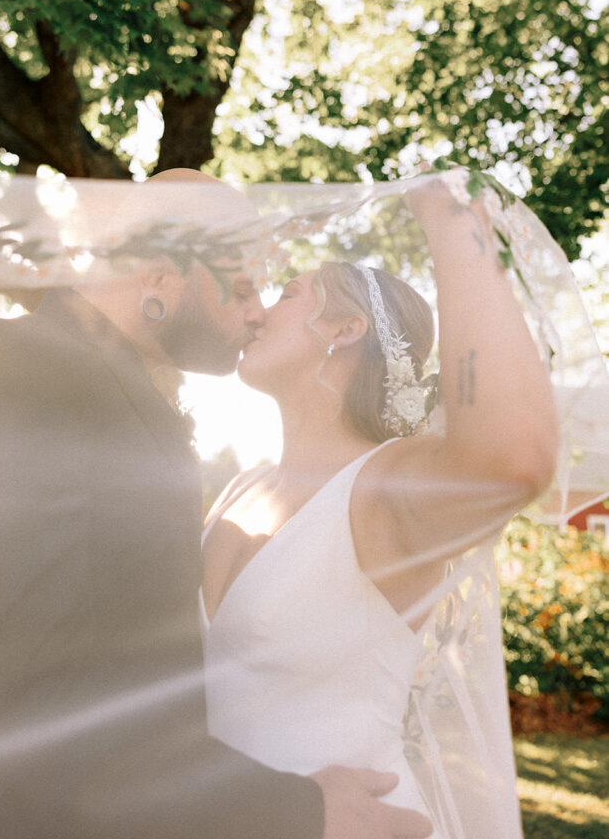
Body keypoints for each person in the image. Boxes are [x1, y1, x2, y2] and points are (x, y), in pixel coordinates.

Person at [0, 168, 433, 839]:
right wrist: (293, 812)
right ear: (160, 275)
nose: (257, 314)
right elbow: (6, 701)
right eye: (248, 287)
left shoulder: (111, 400)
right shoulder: (22, 379)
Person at [200, 175, 561, 839]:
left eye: (283, 295)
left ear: (344, 329)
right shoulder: (239, 488)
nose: (253, 311)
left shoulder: (385, 487)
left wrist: (449, 217)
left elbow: (513, 459)